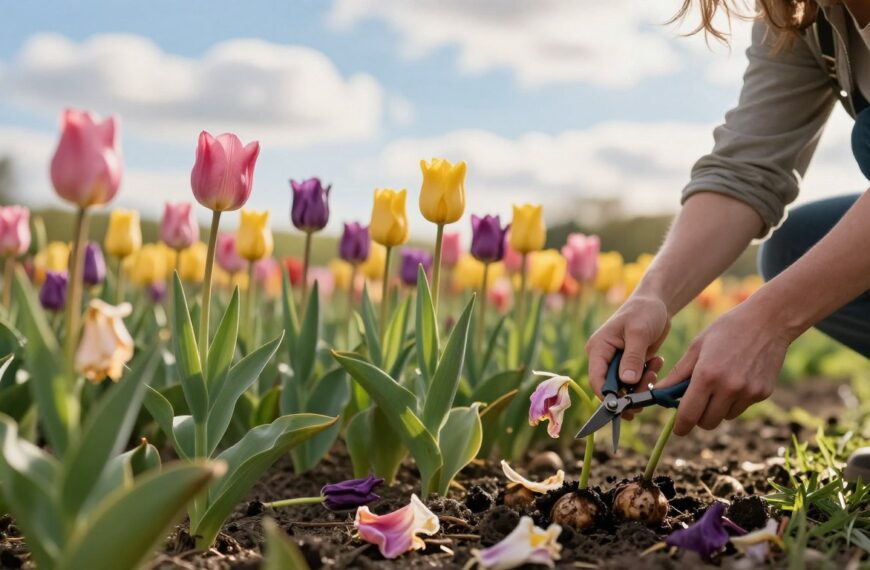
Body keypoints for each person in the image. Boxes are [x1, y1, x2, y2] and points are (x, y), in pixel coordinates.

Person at [585, 0, 870, 454]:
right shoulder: (800, 16)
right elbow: (746, 169)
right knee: (794, 249)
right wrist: (653, 294)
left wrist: (770, 320)